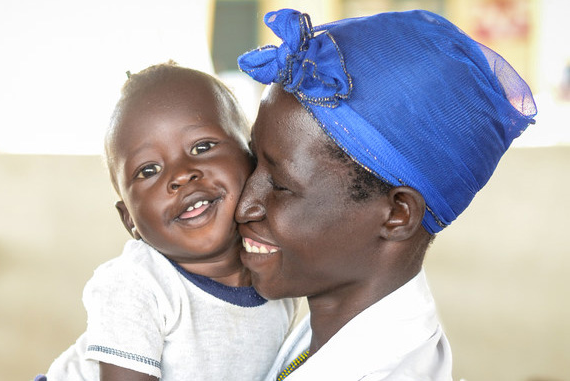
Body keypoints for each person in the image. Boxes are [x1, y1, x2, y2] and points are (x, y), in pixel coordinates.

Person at [235, 9, 536, 380]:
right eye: (252, 162)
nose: (243, 205)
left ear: (397, 214)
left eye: (280, 185)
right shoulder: (326, 331)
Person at [38, 62, 298, 381]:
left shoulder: (278, 277)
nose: (181, 174)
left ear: (252, 157)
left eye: (202, 147)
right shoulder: (137, 284)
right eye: (148, 171)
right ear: (129, 220)